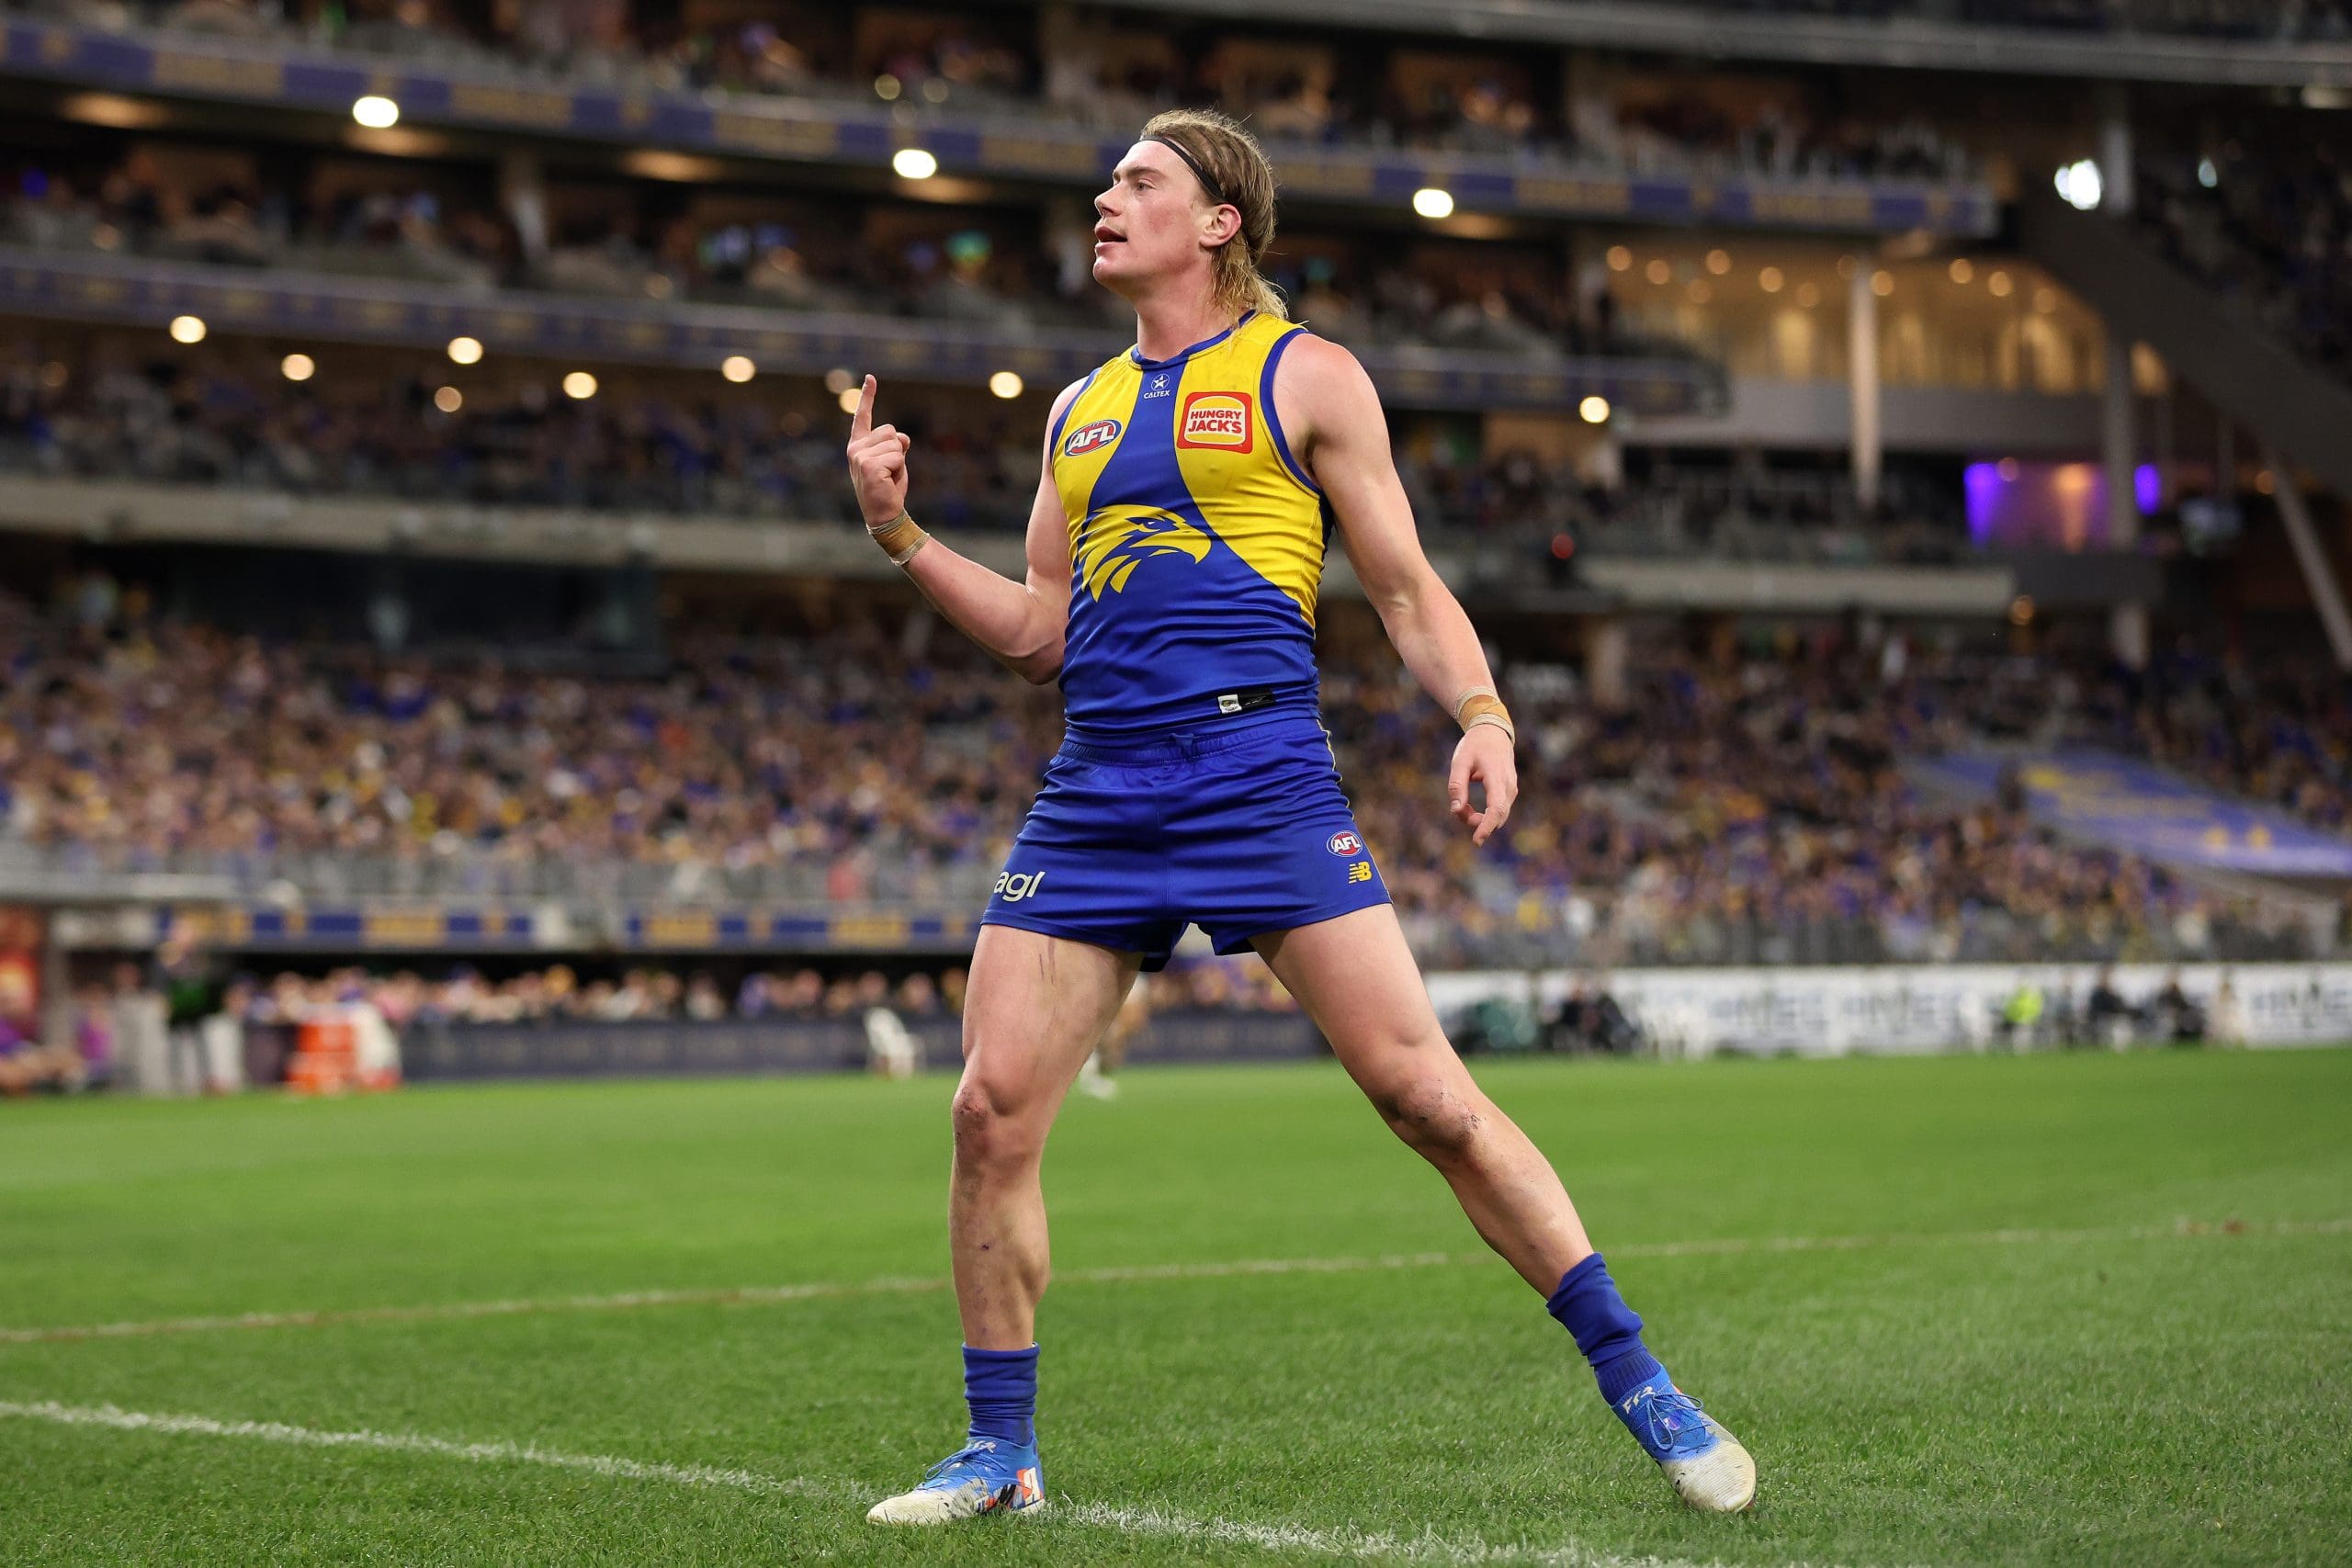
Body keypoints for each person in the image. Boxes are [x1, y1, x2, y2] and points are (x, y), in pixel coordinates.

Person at [846, 107, 1754, 1524]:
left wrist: (1485, 717)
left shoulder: (1307, 374)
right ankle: (998, 1453)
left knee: (1430, 1101)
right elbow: (1037, 635)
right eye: (1106, 181)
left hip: (1257, 776)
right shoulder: (1076, 411)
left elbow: (1401, 589)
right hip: (1097, 789)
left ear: (1220, 221)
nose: (1105, 198)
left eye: (1138, 182)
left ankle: (1645, 1385)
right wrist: (899, 534)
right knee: (986, 1110)